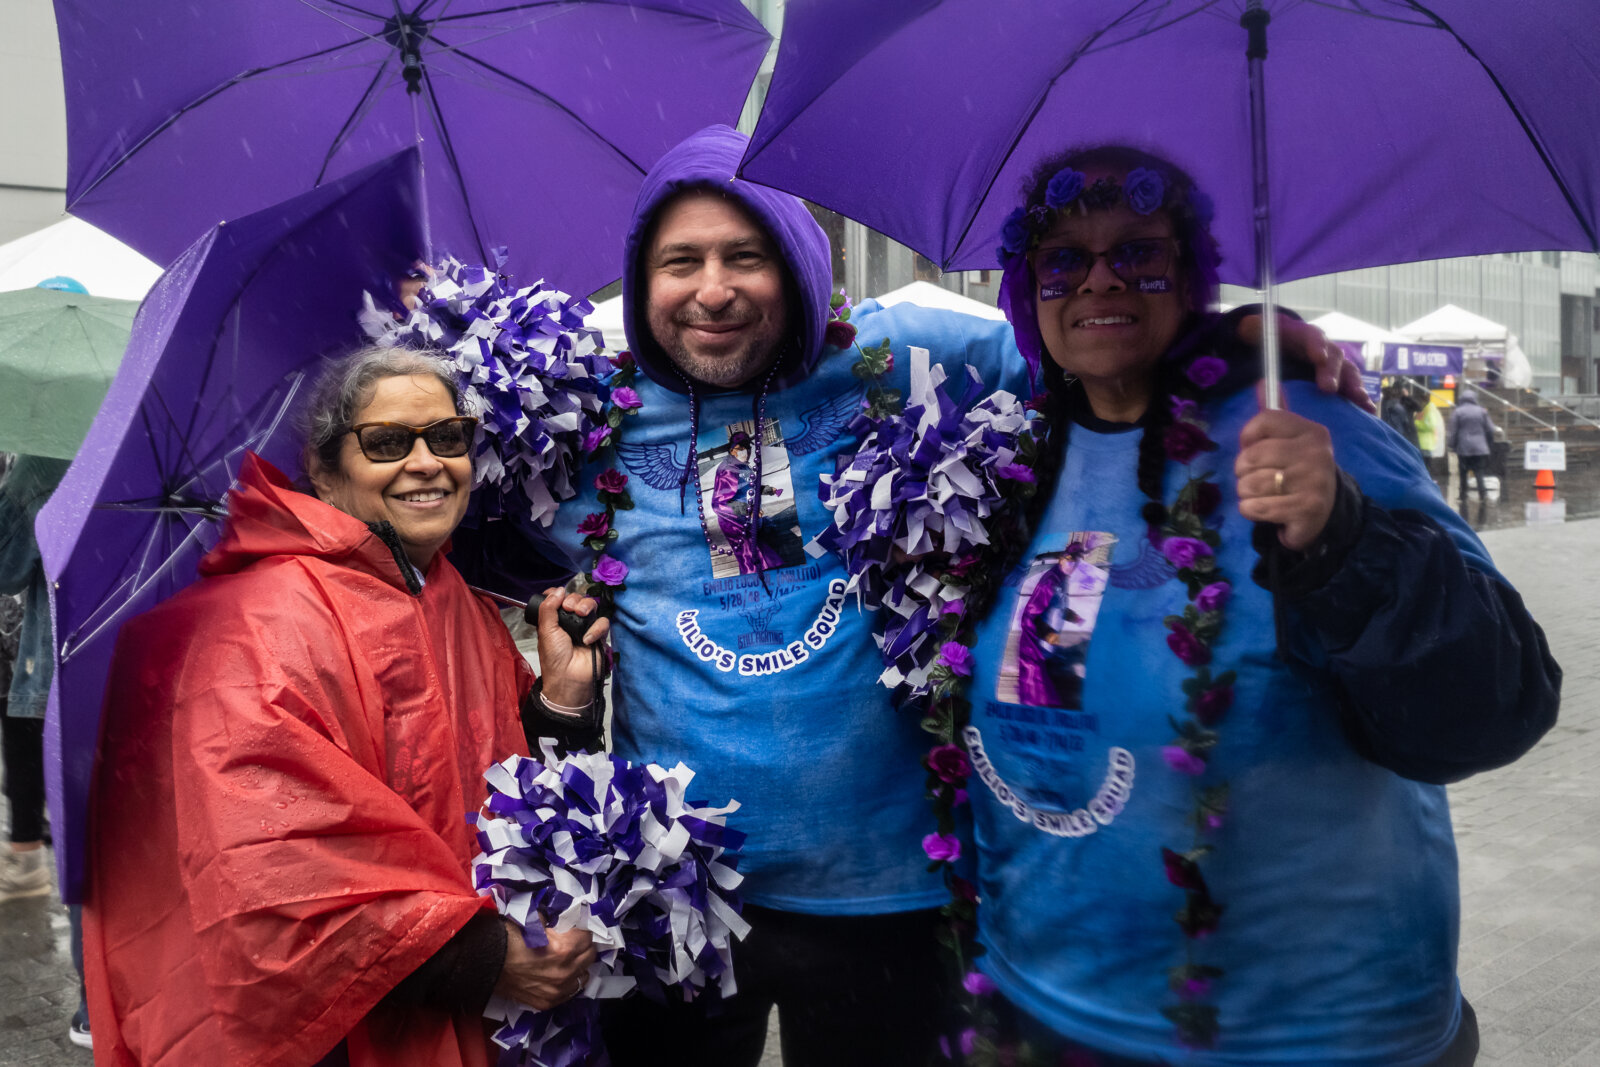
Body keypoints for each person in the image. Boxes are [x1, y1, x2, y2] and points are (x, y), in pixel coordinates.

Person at [527, 125, 1369, 1067]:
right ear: (642, 285)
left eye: (745, 255)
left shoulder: (915, 353)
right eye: (680, 261)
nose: (712, 288)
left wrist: (1239, 335)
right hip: (673, 890)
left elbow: (1096, 344)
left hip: (884, 894)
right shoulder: (589, 415)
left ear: (800, 267)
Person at [953, 145, 1560, 1064]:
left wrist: (1344, 538)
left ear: (1189, 274)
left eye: (1140, 253)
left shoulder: (1315, 434)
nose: (1101, 278)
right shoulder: (1011, 450)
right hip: (1046, 1007)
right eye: (1063, 260)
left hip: (1311, 1031)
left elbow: (1490, 710)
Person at [82, 346, 605, 1067]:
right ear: (327, 469)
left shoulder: (455, 599)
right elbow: (272, 871)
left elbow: (511, 794)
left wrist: (560, 703)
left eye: (447, 437)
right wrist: (484, 957)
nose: (426, 462)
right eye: (388, 442)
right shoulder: (250, 623)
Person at [1449, 387, 1499, 503]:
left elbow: (1453, 431)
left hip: (1464, 448)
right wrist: (1487, 441)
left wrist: (1452, 445)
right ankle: (1483, 494)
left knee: (1463, 472)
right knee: (1479, 472)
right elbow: (1490, 429)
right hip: (1480, 448)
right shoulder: (1482, 411)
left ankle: (1462, 495)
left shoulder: (1458, 412)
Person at [1382, 380, 1423, 452]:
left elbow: (1419, 408)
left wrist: (1408, 397)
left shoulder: (1406, 400)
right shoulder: (1390, 401)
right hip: (1400, 432)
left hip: (1407, 431)